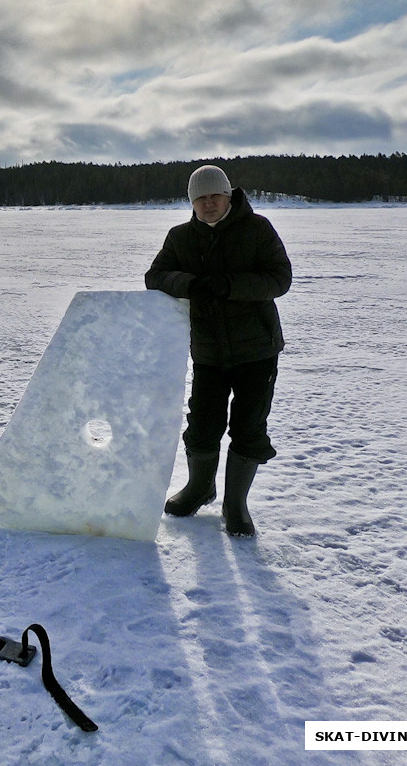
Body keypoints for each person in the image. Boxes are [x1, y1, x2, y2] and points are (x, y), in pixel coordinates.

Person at [145, 165, 292, 536]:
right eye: (200, 199)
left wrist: (229, 286)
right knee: (202, 426)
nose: (208, 204)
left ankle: (235, 503)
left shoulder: (257, 229)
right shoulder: (180, 237)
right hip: (208, 352)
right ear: (192, 203)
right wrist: (190, 284)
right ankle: (199, 488)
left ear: (229, 195)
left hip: (257, 349)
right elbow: (155, 276)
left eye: (215, 196)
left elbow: (279, 278)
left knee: (249, 426)